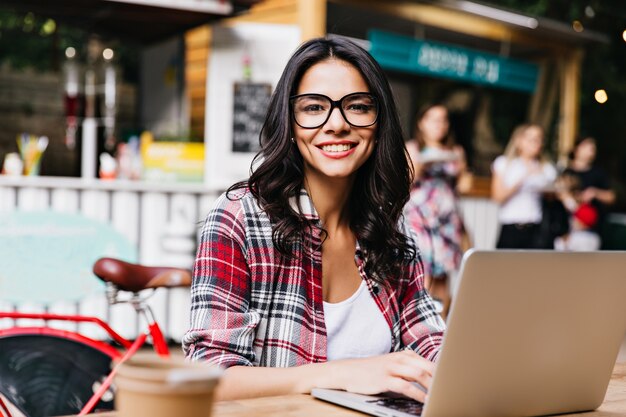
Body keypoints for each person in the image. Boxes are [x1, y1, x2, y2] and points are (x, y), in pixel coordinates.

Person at [182, 37, 445, 403]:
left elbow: (429, 338)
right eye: (313, 107)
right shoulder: (239, 218)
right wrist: (342, 374)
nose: (337, 124)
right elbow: (208, 376)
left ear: (379, 121)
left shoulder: (390, 225)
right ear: (288, 121)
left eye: (357, 106)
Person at [403, 103, 466, 316]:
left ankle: (442, 332)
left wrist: (463, 175)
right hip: (420, 220)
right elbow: (406, 182)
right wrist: (423, 163)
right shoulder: (413, 148)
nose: (440, 124)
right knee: (422, 275)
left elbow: (463, 186)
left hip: (447, 222)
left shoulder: (456, 151)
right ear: (422, 123)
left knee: (443, 277)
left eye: (444, 119)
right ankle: (420, 327)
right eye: (434, 119)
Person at [491, 124, 557, 249]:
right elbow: (497, 197)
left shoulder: (546, 168)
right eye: (532, 139)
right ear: (519, 141)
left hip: (537, 229)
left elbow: (552, 197)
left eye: (539, 139)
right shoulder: (504, 164)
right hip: (511, 226)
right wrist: (523, 178)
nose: (536, 143)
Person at [558, 136, 615, 243]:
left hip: (590, 232)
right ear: (576, 149)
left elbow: (611, 197)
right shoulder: (566, 173)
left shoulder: (598, 173)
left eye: (593, 147)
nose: (591, 150)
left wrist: (595, 193)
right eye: (587, 146)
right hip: (567, 232)